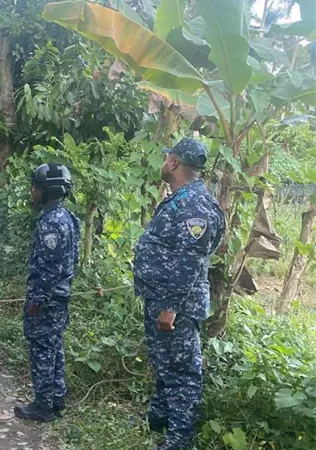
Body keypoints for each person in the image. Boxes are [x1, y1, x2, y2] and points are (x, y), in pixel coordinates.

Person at [134, 138, 225, 450]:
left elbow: (190, 259)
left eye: (166, 157)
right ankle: (160, 418)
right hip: (162, 298)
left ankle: (179, 440)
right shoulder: (182, 199)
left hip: (177, 307)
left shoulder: (194, 206)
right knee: (163, 362)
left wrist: (171, 307)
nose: (163, 162)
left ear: (173, 163)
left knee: (182, 371)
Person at [14, 163, 80, 422]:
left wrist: (38, 300)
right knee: (54, 349)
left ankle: (43, 406)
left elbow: (52, 267)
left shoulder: (51, 223)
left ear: (47, 190)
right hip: (59, 297)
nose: (32, 191)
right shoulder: (67, 217)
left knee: (42, 351)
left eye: (36, 187)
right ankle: (56, 399)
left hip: (48, 300)